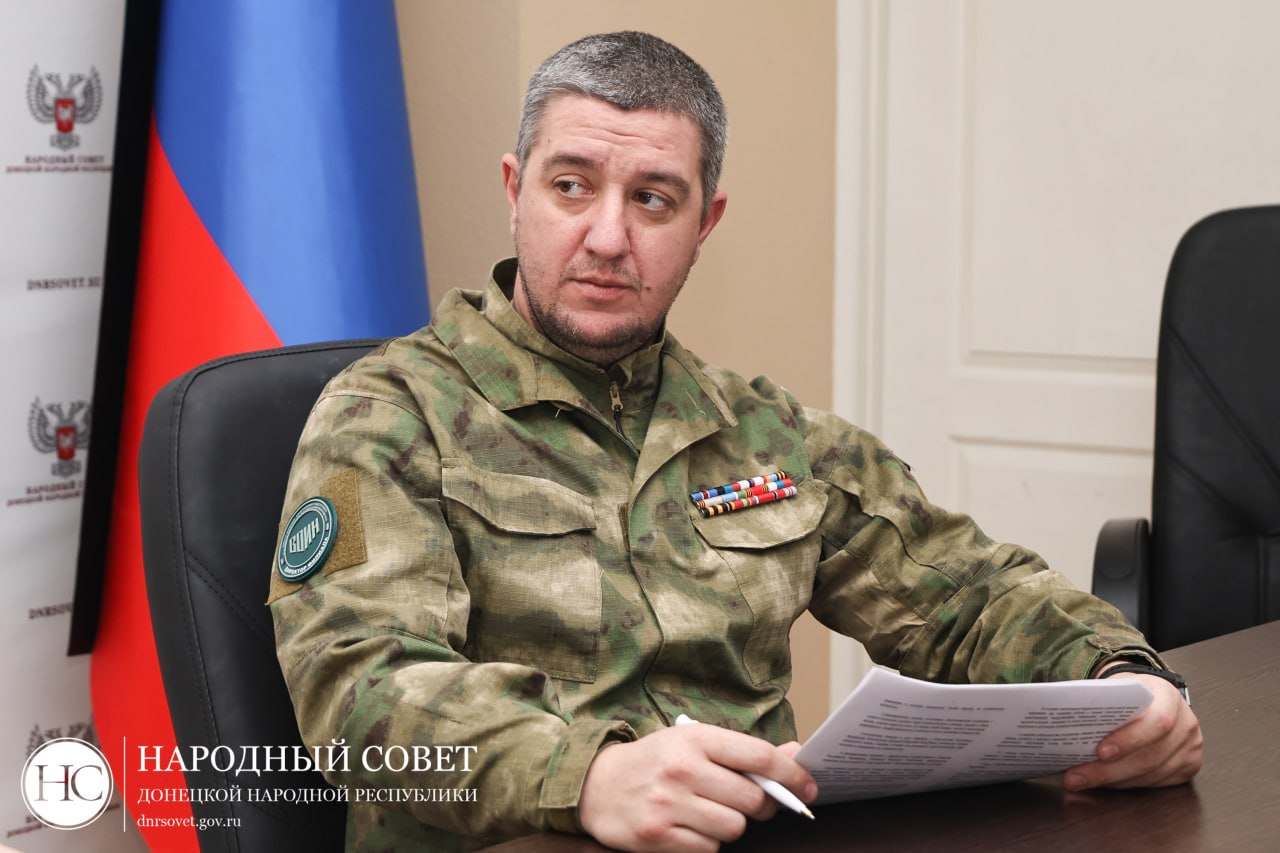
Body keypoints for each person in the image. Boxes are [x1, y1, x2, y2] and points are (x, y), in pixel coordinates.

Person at [269, 30, 1202, 853]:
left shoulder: (769, 434)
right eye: (571, 186)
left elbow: (970, 594)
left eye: (654, 199)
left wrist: (1124, 686)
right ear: (516, 192)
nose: (608, 236)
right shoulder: (386, 415)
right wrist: (586, 775)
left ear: (704, 225)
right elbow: (359, 686)